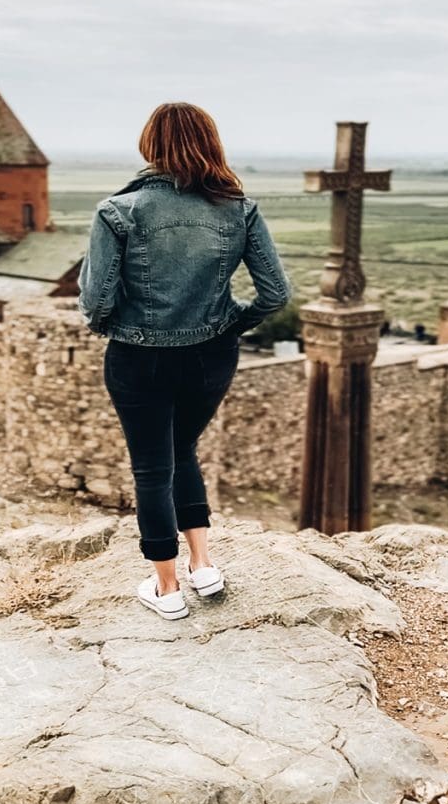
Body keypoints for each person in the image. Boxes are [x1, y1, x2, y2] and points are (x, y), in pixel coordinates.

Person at [77, 102, 293, 620]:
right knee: (183, 449)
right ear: (210, 143)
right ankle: (203, 566)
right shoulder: (238, 209)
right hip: (212, 356)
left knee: (152, 467)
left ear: (150, 145)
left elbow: (96, 302)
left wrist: (119, 329)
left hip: (139, 358)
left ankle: (167, 589)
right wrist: (231, 323)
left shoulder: (118, 211)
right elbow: (276, 294)